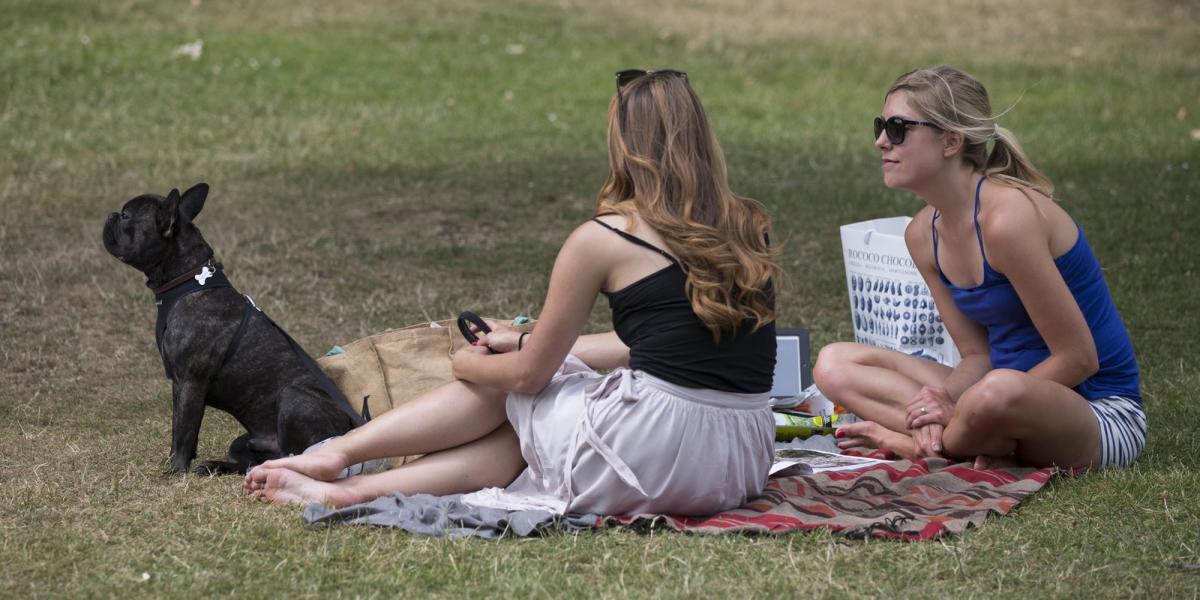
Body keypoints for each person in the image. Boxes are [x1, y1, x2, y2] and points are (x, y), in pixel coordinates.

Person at [244, 69, 781, 515]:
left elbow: (529, 376)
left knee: (518, 395)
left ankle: (337, 457)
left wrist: (469, 363)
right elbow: (652, 345)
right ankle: (348, 488)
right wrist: (525, 341)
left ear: (624, 145)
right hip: (738, 461)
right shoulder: (747, 224)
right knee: (534, 423)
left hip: (657, 456)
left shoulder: (603, 238)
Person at [814, 65, 1144, 471]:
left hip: (1098, 413)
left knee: (996, 392)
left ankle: (917, 445)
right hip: (995, 397)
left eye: (898, 128)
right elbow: (977, 355)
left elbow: (1079, 358)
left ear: (951, 141)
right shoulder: (922, 235)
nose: (882, 141)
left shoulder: (1007, 221)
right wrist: (944, 401)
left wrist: (965, 404)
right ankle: (954, 436)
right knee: (834, 363)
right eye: (881, 126)